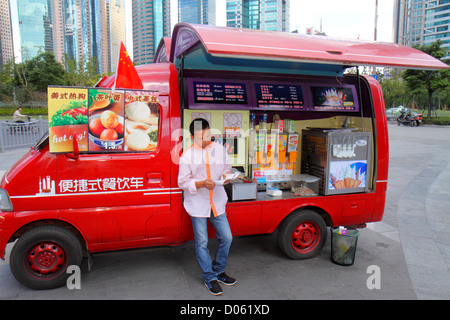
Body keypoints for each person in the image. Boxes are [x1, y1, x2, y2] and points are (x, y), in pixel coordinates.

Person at [178, 118, 236, 296]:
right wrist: (202, 183)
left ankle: (219, 270)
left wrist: (227, 175)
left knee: (227, 237)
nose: (206, 139)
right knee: (202, 243)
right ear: (192, 136)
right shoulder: (187, 156)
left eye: (207, 134)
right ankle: (210, 277)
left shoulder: (219, 149)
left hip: (217, 201)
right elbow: (182, 182)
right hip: (198, 205)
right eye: (201, 136)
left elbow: (227, 167)